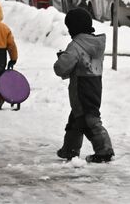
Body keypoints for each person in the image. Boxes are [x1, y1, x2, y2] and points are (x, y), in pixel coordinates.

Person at [54, 8, 114, 163]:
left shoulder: (75, 46)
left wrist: (61, 58)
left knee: (88, 119)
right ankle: (69, 149)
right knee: (76, 119)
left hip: (81, 87)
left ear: (74, 28)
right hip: (95, 84)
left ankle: (104, 150)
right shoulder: (96, 44)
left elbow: (61, 68)